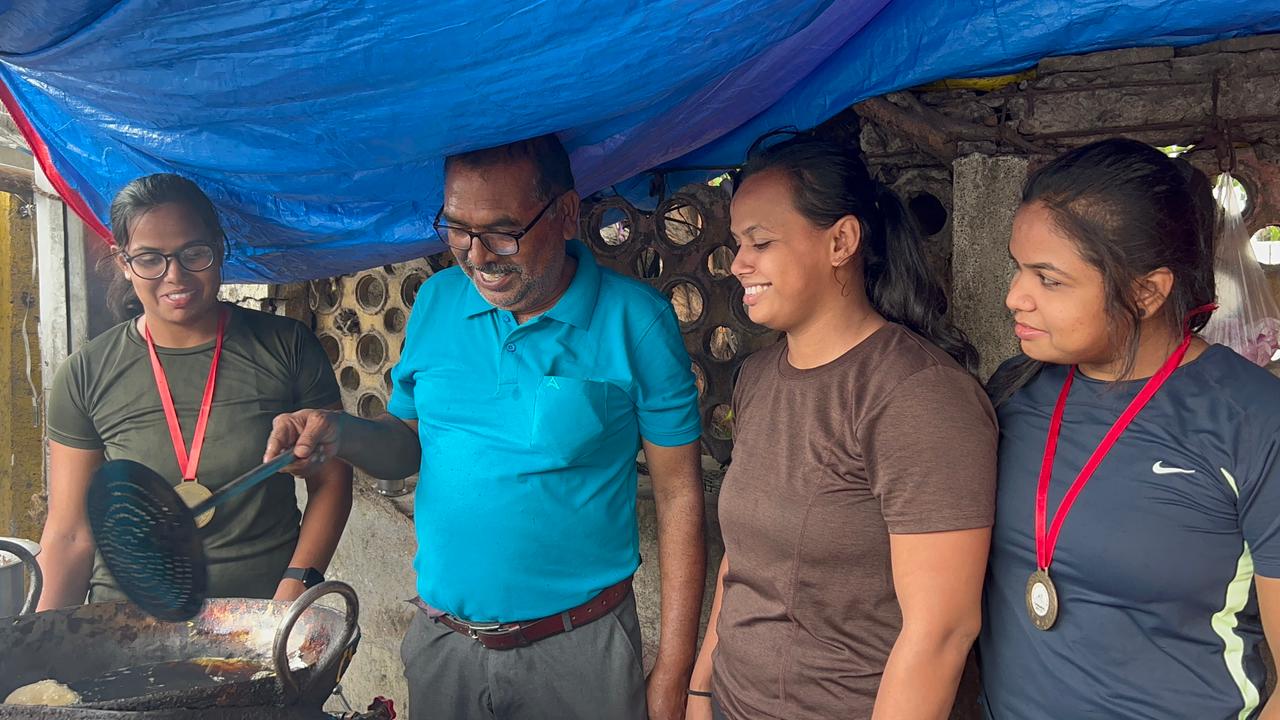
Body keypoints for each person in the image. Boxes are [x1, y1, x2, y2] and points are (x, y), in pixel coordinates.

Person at [265, 134, 707, 720]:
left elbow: (679, 496)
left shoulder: (636, 322)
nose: (476, 255)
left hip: (579, 654)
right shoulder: (437, 301)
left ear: (567, 213)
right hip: (445, 646)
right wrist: (338, 433)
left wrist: (675, 673)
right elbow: (406, 447)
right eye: (457, 229)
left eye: (504, 230)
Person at [687, 131, 997, 720]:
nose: (737, 264)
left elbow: (942, 632)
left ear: (841, 241)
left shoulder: (915, 394)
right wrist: (701, 691)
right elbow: (742, 564)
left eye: (760, 242)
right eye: (736, 243)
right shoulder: (757, 377)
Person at [979, 138, 1280, 719]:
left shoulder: (1254, 422)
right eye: (1018, 269)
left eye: (1049, 279)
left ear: (1147, 292)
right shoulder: (1015, 390)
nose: (1015, 296)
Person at [37, 173, 352, 609]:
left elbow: (331, 478)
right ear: (123, 262)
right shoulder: (85, 375)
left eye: (194, 253)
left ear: (219, 248)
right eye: (150, 259)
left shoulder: (287, 346)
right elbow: (70, 532)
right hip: (127, 624)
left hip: (262, 616)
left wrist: (292, 595)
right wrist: (43, 647)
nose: (176, 276)